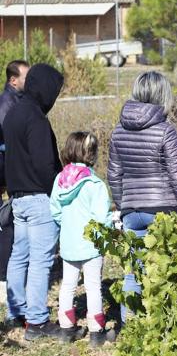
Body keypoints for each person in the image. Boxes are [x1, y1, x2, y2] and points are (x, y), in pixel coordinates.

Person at [108, 71, 177, 324]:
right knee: (165, 270)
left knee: (133, 273)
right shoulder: (165, 130)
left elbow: (114, 175)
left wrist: (122, 207)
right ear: (163, 95)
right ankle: (162, 327)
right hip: (162, 210)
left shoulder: (118, 131)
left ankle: (130, 327)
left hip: (131, 212)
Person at [3, 63, 64, 339]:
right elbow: (43, 164)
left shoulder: (13, 113)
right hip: (39, 199)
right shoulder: (36, 118)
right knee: (40, 260)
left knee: (20, 255)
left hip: (17, 198)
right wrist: (60, 190)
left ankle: (16, 312)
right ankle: (37, 321)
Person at [50, 131, 116, 346]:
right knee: (93, 286)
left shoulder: (60, 180)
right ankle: (97, 332)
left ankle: (66, 329)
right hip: (91, 245)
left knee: (68, 285)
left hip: (69, 244)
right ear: (91, 155)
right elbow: (102, 218)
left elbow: (55, 211)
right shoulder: (94, 184)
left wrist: (68, 227)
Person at [0, 60, 29, 308]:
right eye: (25, 77)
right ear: (13, 80)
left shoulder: (15, 101)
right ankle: (3, 277)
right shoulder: (7, 105)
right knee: (7, 221)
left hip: (8, 171)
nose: (28, 82)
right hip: (5, 172)